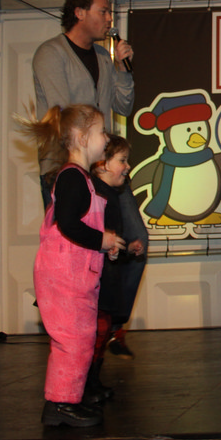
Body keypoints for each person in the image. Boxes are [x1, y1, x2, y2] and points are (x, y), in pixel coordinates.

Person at [32, 0, 145, 361]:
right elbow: (67, 116)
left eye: (109, 11)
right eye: (103, 11)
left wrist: (122, 69)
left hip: (105, 168)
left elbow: (124, 106)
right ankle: (80, 336)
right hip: (66, 169)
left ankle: (108, 325)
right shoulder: (51, 54)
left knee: (134, 240)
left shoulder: (102, 56)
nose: (109, 18)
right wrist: (92, 157)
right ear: (79, 13)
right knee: (78, 254)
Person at [23, 105, 126, 428]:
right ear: (82, 138)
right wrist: (101, 241)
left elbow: (82, 225)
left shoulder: (82, 179)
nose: (106, 138)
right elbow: (68, 224)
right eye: (101, 131)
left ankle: (69, 398)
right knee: (72, 340)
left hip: (78, 277)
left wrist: (105, 244)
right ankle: (59, 405)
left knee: (80, 338)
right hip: (64, 277)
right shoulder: (72, 178)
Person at [86, 135, 148, 405]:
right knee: (90, 335)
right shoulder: (94, 195)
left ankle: (93, 381)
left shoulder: (112, 194)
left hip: (106, 279)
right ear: (101, 164)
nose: (128, 167)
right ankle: (83, 385)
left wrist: (126, 248)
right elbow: (91, 236)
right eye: (122, 161)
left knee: (100, 333)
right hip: (91, 281)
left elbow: (111, 240)